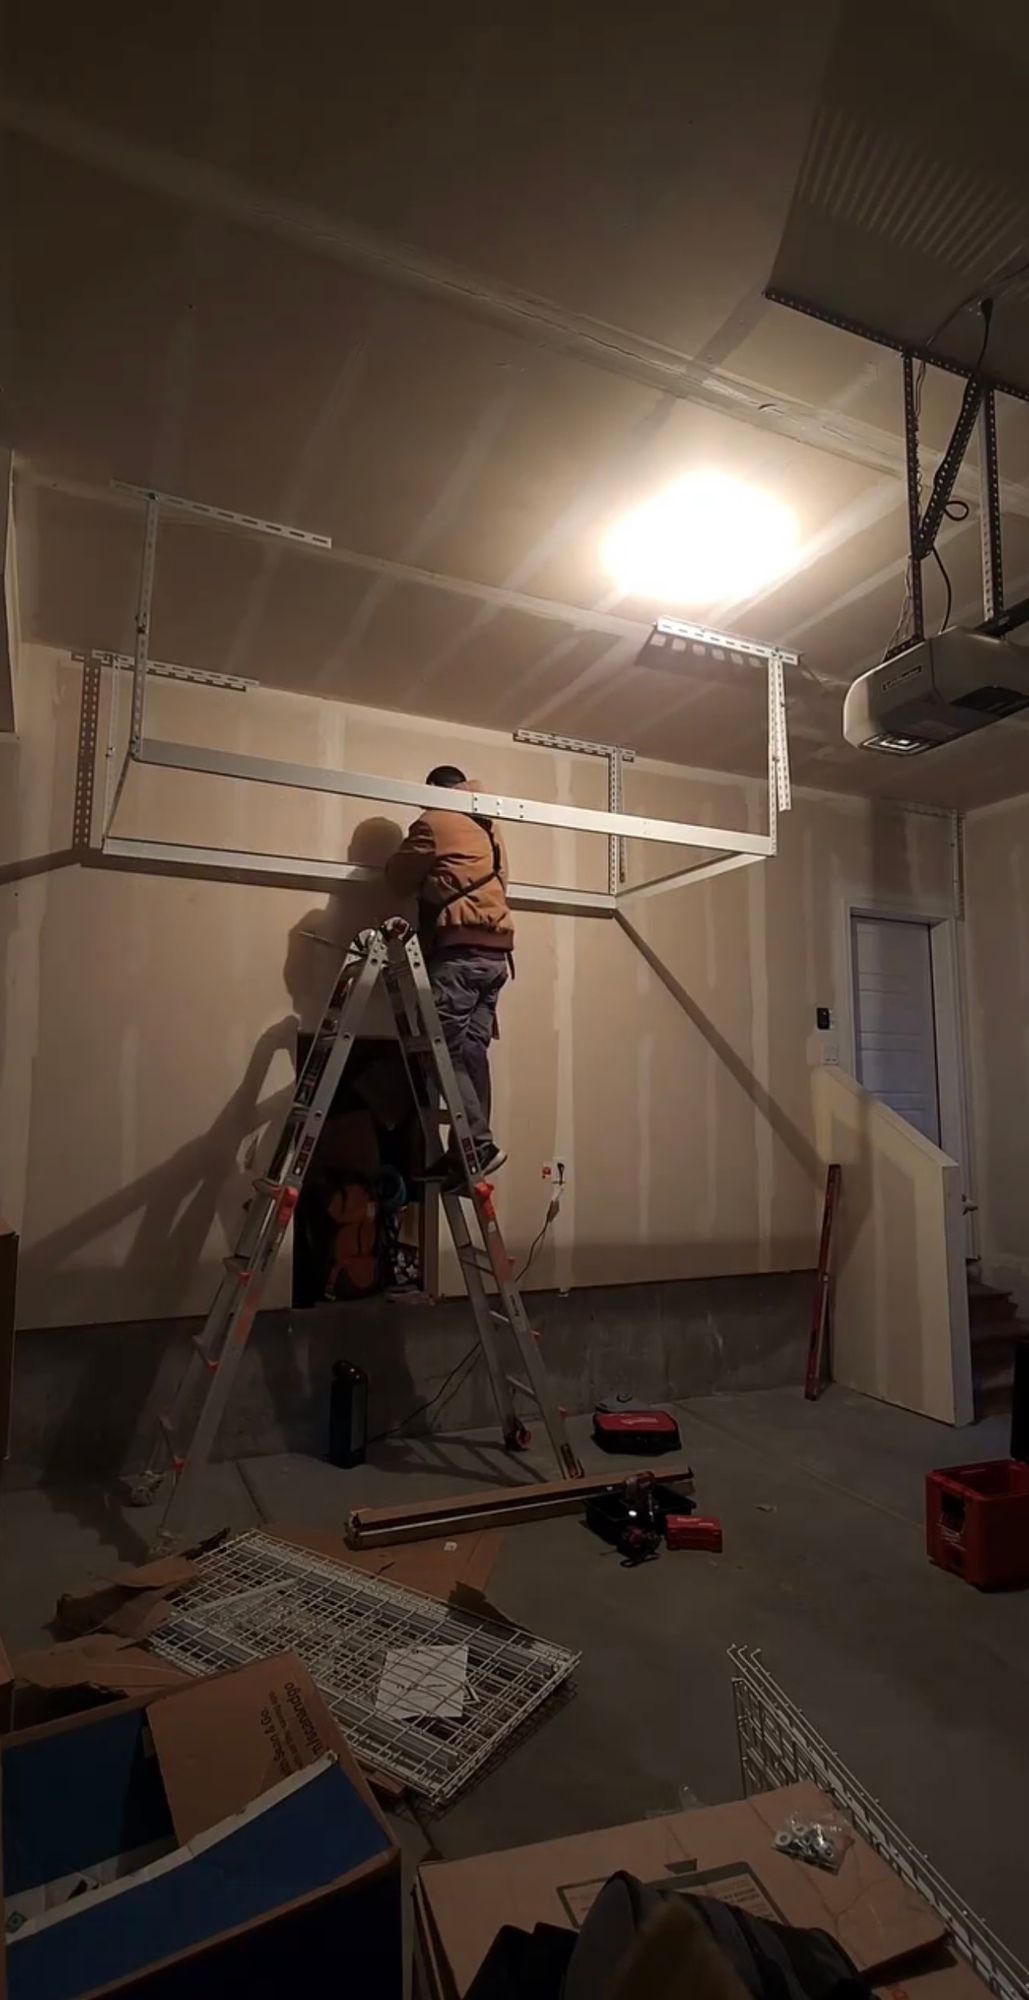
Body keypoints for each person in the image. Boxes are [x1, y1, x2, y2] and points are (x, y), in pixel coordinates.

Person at [385, 765, 513, 1183]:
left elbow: (397, 880)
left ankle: (476, 1144)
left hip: (459, 953)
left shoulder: (434, 821)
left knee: (446, 1051)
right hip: (496, 958)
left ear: (435, 792)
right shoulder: (490, 827)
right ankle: (469, 1155)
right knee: (472, 1053)